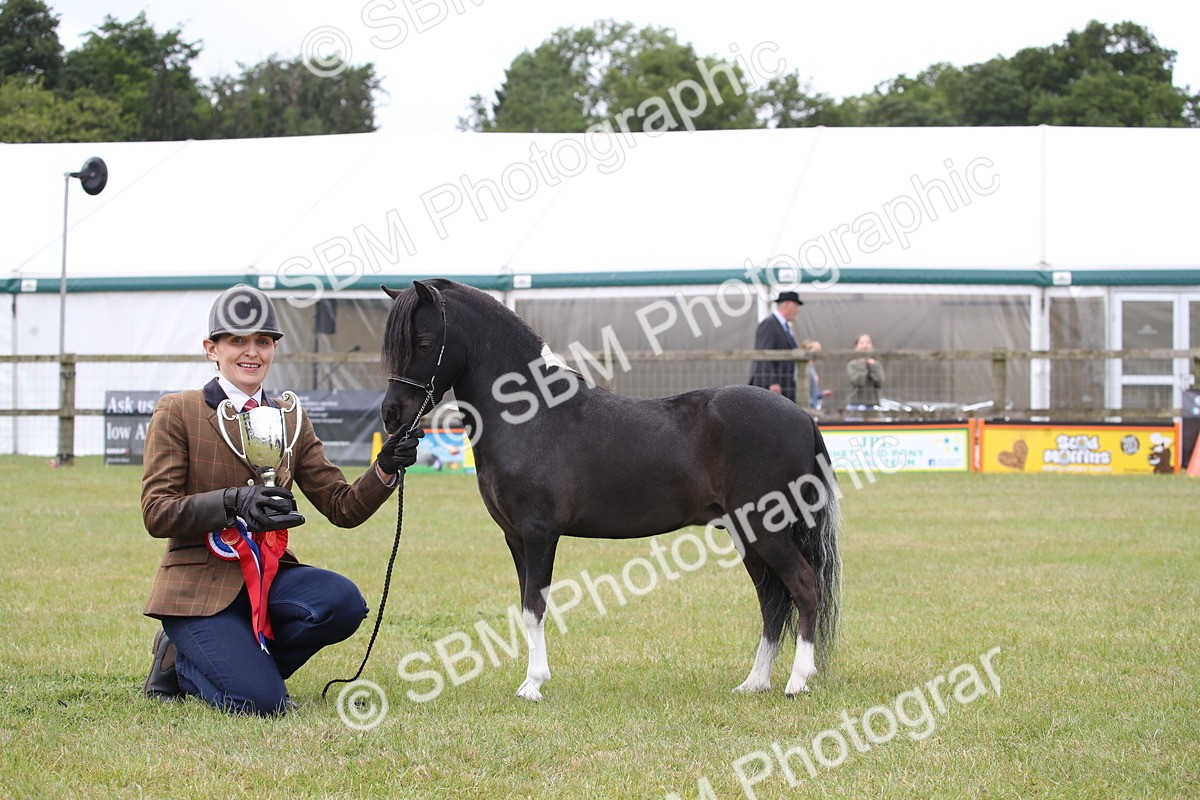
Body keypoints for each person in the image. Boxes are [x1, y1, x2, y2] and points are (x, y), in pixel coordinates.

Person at [140, 284, 422, 716]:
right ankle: (180, 665)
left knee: (342, 603)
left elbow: (341, 506)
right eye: (237, 341)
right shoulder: (178, 411)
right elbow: (157, 512)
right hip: (197, 586)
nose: (251, 352)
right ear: (211, 349)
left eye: (263, 342)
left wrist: (385, 467)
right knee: (263, 704)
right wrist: (234, 500)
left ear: (273, 349)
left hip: (268, 580)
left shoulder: (291, 417)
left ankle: (243, 665)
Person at [749, 290, 815, 403]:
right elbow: (763, 354)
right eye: (796, 306)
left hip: (784, 385)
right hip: (772, 388)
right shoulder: (769, 324)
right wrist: (771, 382)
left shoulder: (783, 327)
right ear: (787, 304)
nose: (797, 311)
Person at [846, 332, 885, 408]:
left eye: (868, 342)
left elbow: (880, 382)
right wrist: (864, 363)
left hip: (873, 404)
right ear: (856, 347)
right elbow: (858, 381)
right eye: (862, 343)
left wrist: (872, 366)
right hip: (855, 404)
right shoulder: (852, 364)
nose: (865, 345)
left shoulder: (876, 364)